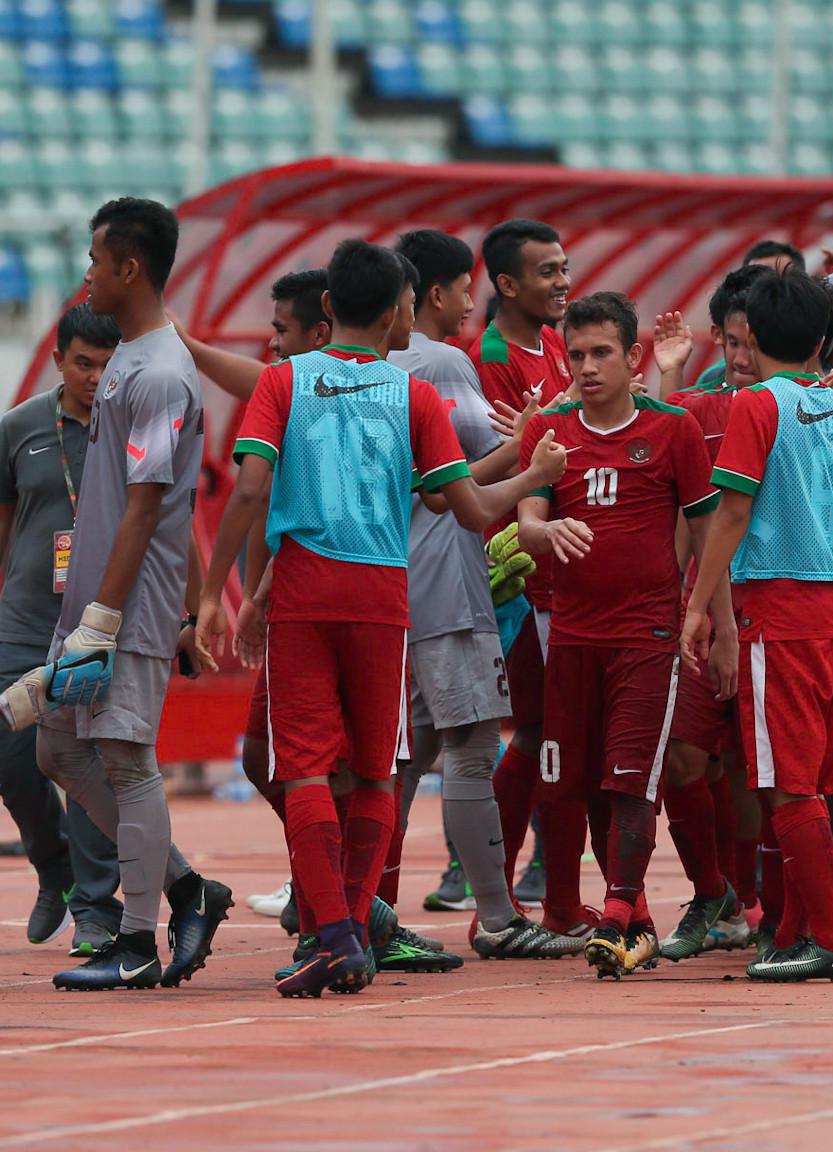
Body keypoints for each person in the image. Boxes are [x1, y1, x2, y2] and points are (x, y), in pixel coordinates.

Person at [196, 239, 567, 997]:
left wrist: (216, 594)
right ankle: (353, 930)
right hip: (382, 600)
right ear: (401, 309)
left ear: (327, 308)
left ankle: (334, 932)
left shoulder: (285, 382)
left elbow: (249, 491)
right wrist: (534, 474)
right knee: (375, 769)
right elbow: (465, 508)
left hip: (304, 590)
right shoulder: (416, 397)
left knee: (302, 767)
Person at [0, 197, 233, 990]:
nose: (87, 275)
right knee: (55, 747)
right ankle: (186, 888)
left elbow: (148, 504)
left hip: (121, 607)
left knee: (128, 761)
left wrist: (105, 619)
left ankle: (136, 941)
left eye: (96, 262)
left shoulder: (162, 373)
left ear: (128, 269)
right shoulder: (131, 357)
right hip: (92, 603)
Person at [682, 269, 833, 983]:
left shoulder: (756, 406)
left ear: (752, 337)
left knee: (787, 786)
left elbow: (734, 511)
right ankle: (793, 927)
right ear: (822, 338)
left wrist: (698, 603)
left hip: (776, 613)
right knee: (817, 779)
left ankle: (827, 937)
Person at [514, 291, 727, 978]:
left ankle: (615, 910)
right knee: (568, 784)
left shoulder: (672, 430)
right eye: (576, 354)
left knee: (632, 778)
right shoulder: (549, 431)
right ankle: (622, 918)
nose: (587, 367)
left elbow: (705, 526)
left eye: (601, 352)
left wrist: (708, 616)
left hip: (647, 633)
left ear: (633, 356)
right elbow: (526, 523)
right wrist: (548, 530)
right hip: (570, 636)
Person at [388, 228, 572, 961]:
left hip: (397, 574)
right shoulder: (444, 360)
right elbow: (456, 488)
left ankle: (346, 900)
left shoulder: (354, 369)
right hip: (449, 576)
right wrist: (532, 445)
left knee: (409, 754)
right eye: (466, 288)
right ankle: (497, 915)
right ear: (431, 295)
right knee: (472, 745)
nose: (475, 300)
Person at [174, 269, 327, 933]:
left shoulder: (394, 387)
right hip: (310, 594)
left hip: (336, 599)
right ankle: (331, 892)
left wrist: (220, 594)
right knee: (277, 759)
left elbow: (252, 492)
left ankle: (346, 907)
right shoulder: (304, 386)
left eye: (280, 332)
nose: (271, 346)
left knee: (363, 766)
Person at [0, 301, 124, 957]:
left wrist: (187, 608)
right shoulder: (20, 427)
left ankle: (96, 907)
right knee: (7, 750)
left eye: (106, 366)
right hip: (26, 618)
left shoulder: (132, 424)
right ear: (60, 359)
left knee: (84, 757)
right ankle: (53, 867)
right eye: (84, 364)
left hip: (97, 625)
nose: (95, 378)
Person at [662, 263, 771, 955]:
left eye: (749, 343)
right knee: (683, 759)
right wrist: (669, 373)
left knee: (764, 772)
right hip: (705, 608)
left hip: (778, 610)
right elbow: (657, 449)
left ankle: (766, 903)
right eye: (728, 341)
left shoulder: (815, 406)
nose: (736, 358)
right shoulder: (701, 407)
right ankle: (714, 893)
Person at [468, 218, 574, 905]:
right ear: (506, 284)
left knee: (549, 728)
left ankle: (523, 874)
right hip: (516, 572)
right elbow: (509, 462)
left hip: (557, 565)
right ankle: (495, 882)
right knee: (534, 727)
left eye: (565, 268)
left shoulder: (560, 344)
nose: (562, 282)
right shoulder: (492, 357)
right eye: (547, 272)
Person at [687, 241, 809, 391]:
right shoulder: (711, 381)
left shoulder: (825, 384)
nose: (741, 360)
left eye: (754, 345)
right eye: (734, 343)